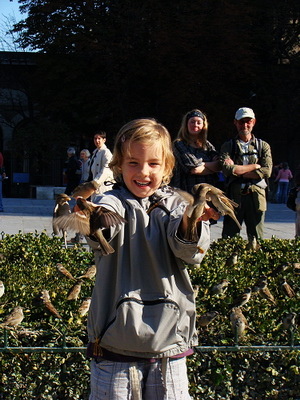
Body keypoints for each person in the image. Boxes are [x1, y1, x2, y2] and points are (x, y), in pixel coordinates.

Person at [86, 118, 218, 399]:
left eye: (153, 163)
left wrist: (191, 221)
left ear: (168, 167)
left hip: (169, 347)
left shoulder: (177, 205)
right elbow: (104, 224)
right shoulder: (110, 202)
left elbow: (188, 251)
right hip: (114, 346)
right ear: (118, 165)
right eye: (133, 162)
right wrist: (91, 218)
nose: (143, 172)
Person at [220, 107, 273, 240]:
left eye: (248, 121)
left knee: (256, 239)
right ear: (235, 123)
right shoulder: (228, 146)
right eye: (241, 121)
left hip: (256, 198)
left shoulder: (263, 146)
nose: (245, 125)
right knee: (229, 238)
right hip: (233, 198)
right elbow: (227, 170)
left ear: (254, 122)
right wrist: (255, 166)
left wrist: (237, 170)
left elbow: (267, 171)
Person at [172, 109, 221, 194]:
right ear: (186, 124)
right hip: (188, 194)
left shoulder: (207, 145)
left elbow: (219, 165)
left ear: (203, 125)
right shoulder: (179, 144)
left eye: (199, 122)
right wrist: (212, 167)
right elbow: (194, 169)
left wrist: (203, 164)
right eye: (192, 122)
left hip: (209, 193)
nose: (195, 125)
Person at [88, 130, 114, 200]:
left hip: (102, 187)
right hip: (94, 187)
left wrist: (96, 182)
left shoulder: (106, 152)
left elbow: (107, 168)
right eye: (95, 138)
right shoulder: (95, 152)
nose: (97, 141)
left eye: (99, 138)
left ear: (104, 140)